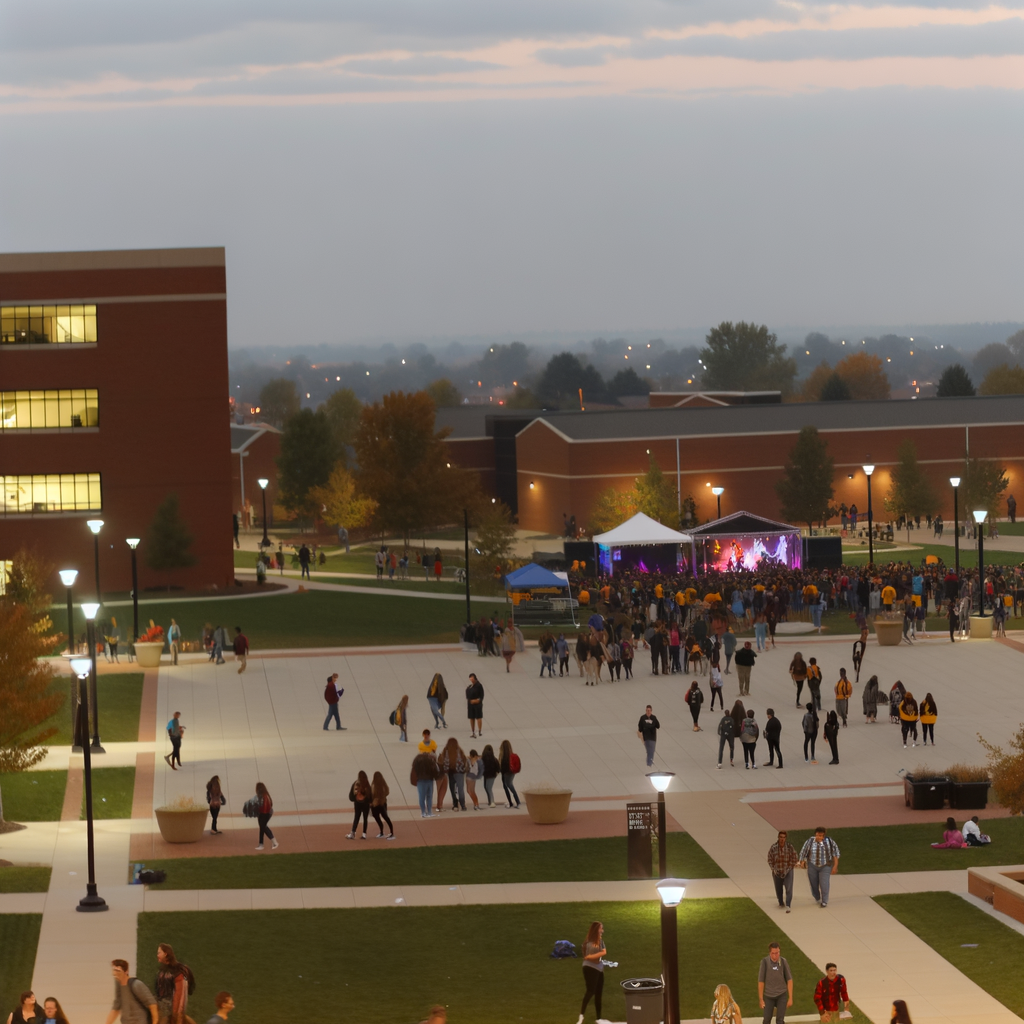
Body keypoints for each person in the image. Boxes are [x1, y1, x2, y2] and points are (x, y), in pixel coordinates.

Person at [798, 826, 840, 907]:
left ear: (824, 836)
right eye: (817, 835)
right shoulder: (810, 841)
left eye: (821, 836)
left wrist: (835, 866)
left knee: (824, 883)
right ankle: (817, 896)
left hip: (825, 866)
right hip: (812, 865)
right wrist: (802, 861)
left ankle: (824, 901)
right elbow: (803, 852)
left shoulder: (830, 842)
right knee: (813, 883)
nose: (819, 837)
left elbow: (835, 854)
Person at [577, 921, 607, 1024]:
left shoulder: (600, 941)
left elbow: (603, 952)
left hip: (599, 968)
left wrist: (591, 957)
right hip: (589, 968)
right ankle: (581, 1016)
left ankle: (598, 1018)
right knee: (590, 991)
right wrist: (590, 957)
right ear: (596, 929)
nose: (602, 931)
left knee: (599, 993)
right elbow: (586, 957)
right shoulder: (588, 942)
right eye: (600, 929)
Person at [757, 942, 793, 1024]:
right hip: (769, 995)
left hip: (781, 994)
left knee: (780, 1021)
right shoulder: (765, 962)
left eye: (777, 953)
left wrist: (790, 997)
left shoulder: (783, 962)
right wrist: (761, 999)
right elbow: (761, 981)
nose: (775, 956)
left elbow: (789, 980)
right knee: (766, 1020)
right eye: (773, 953)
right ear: (770, 953)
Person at [154, 943, 190, 1024]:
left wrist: (176, 1017)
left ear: (165, 953)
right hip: (162, 1009)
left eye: (159, 953)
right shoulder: (161, 971)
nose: (157, 955)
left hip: (170, 1012)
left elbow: (180, 996)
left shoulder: (178, 971)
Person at [767, 830, 798, 912]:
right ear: (778, 837)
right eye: (781, 837)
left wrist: (789, 867)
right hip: (777, 872)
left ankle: (788, 904)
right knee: (778, 889)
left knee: (789, 888)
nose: (782, 839)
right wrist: (773, 868)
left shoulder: (789, 847)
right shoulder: (773, 847)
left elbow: (794, 858)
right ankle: (781, 902)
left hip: (787, 871)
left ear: (786, 838)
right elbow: (770, 859)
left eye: (784, 837)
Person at [438, 736, 469, 812]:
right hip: (459, 772)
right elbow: (464, 759)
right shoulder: (459, 751)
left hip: (450, 772)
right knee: (460, 789)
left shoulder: (446, 751)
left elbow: (442, 761)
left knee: (452, 789)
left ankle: (455, 803)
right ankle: (463, 805)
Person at [411, 749, 439, 818]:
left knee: (421, 797)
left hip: (420, 780)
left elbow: (414, 769)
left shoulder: (417, 760)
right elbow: (436, 769)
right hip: (429, 780)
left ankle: (423, 812)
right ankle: (429, 812)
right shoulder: (431, 760)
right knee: (429, 797)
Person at [346, 769, 372, 839]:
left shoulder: (356, 783)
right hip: (365, 804)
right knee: (365, 818)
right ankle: (364, 834)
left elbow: (351, 795)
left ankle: (353, 833)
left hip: (357, 803)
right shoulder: (367, 784)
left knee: (356, 818)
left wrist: (354, 799)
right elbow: (370, 795)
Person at [369, 770, 395, 838]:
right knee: (381, 817)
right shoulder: (375, 784)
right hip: (377, 804)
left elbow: (386, 792)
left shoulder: (379, 785)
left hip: (380, 804)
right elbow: (386, 792)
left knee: (384, 817)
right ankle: (383, 832)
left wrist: (378, 799)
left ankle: (389, 832)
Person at [254, 781, 277, 850]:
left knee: (262, 828)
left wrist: (261, 814)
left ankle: (262, 844)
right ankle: (273, 841)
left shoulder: (264, 796)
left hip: (265, 813)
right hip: (265, 813)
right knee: (263, 827)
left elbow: (264, 807)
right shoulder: (264, 795)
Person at [499, 739, 521, 808]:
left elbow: (502, 765)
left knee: (508, 786)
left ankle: (514, 801)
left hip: (505, 773)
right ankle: (516, 801)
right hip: (511, 772)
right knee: (509, 785)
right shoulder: (511, 755)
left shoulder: (502, 755)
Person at [466, 673, 484, 738]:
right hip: (470, 704)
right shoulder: (470, 686)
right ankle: (473, 731)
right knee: (471, 717)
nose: (471, 679)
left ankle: (479, 731)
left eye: (472, 678)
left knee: (478, 717)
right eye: (470, 678)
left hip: (477, 704)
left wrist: (477, 700)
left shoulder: (479, 686)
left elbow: (481, 696)